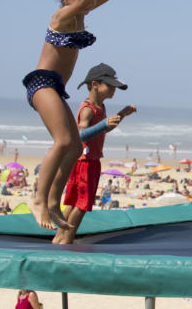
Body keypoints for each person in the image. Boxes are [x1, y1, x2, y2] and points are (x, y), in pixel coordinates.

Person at [23, 0, 131, 230]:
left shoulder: (81, 12)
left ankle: (52, 202)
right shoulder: (62, 16)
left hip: (56, 88)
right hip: (41, 83)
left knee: (73, 147)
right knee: (62, 142)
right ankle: (38, 199)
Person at [53, 63, 135, 244]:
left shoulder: (101, 107)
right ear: (95, 84)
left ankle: (59, 238)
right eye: (110, 86)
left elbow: (103, 130)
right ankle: (66, 239)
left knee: (74, 203)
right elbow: (80, 134)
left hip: (86, 159)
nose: (114, 90)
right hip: (85, 161)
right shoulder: (89, 108)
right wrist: (103, 125)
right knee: (81, 205)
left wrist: (121, 115)